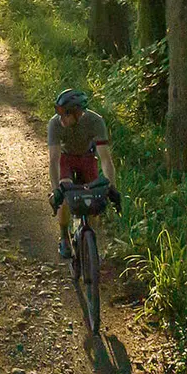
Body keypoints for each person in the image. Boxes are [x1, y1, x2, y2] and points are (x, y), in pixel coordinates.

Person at [46, 88, 117, 259]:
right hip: (66, 158)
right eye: (59, 112)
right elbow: (54, 160)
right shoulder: (54, 124)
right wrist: (56, 189)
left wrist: (112, 187)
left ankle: (89, 239)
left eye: (65, 114)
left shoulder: (95, 121)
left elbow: (105, 159)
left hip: (87, 157)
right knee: (64, 194)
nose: (60, 117)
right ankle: (64, 236)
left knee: (94, 200)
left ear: (78, 113)